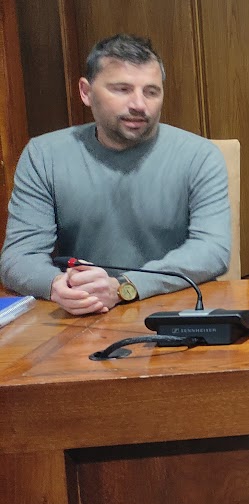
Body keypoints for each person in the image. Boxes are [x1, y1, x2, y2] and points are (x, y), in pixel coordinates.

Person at [0, 34, 231, 314]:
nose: (139, 104)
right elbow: (18, 258)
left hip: (174, 311)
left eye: (151, 91)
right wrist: (58, 284)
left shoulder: (199, 155)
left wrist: (124, 288)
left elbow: (212, 250)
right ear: (86, 92)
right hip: (80, 314)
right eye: (122, 89)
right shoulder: (44, 155)